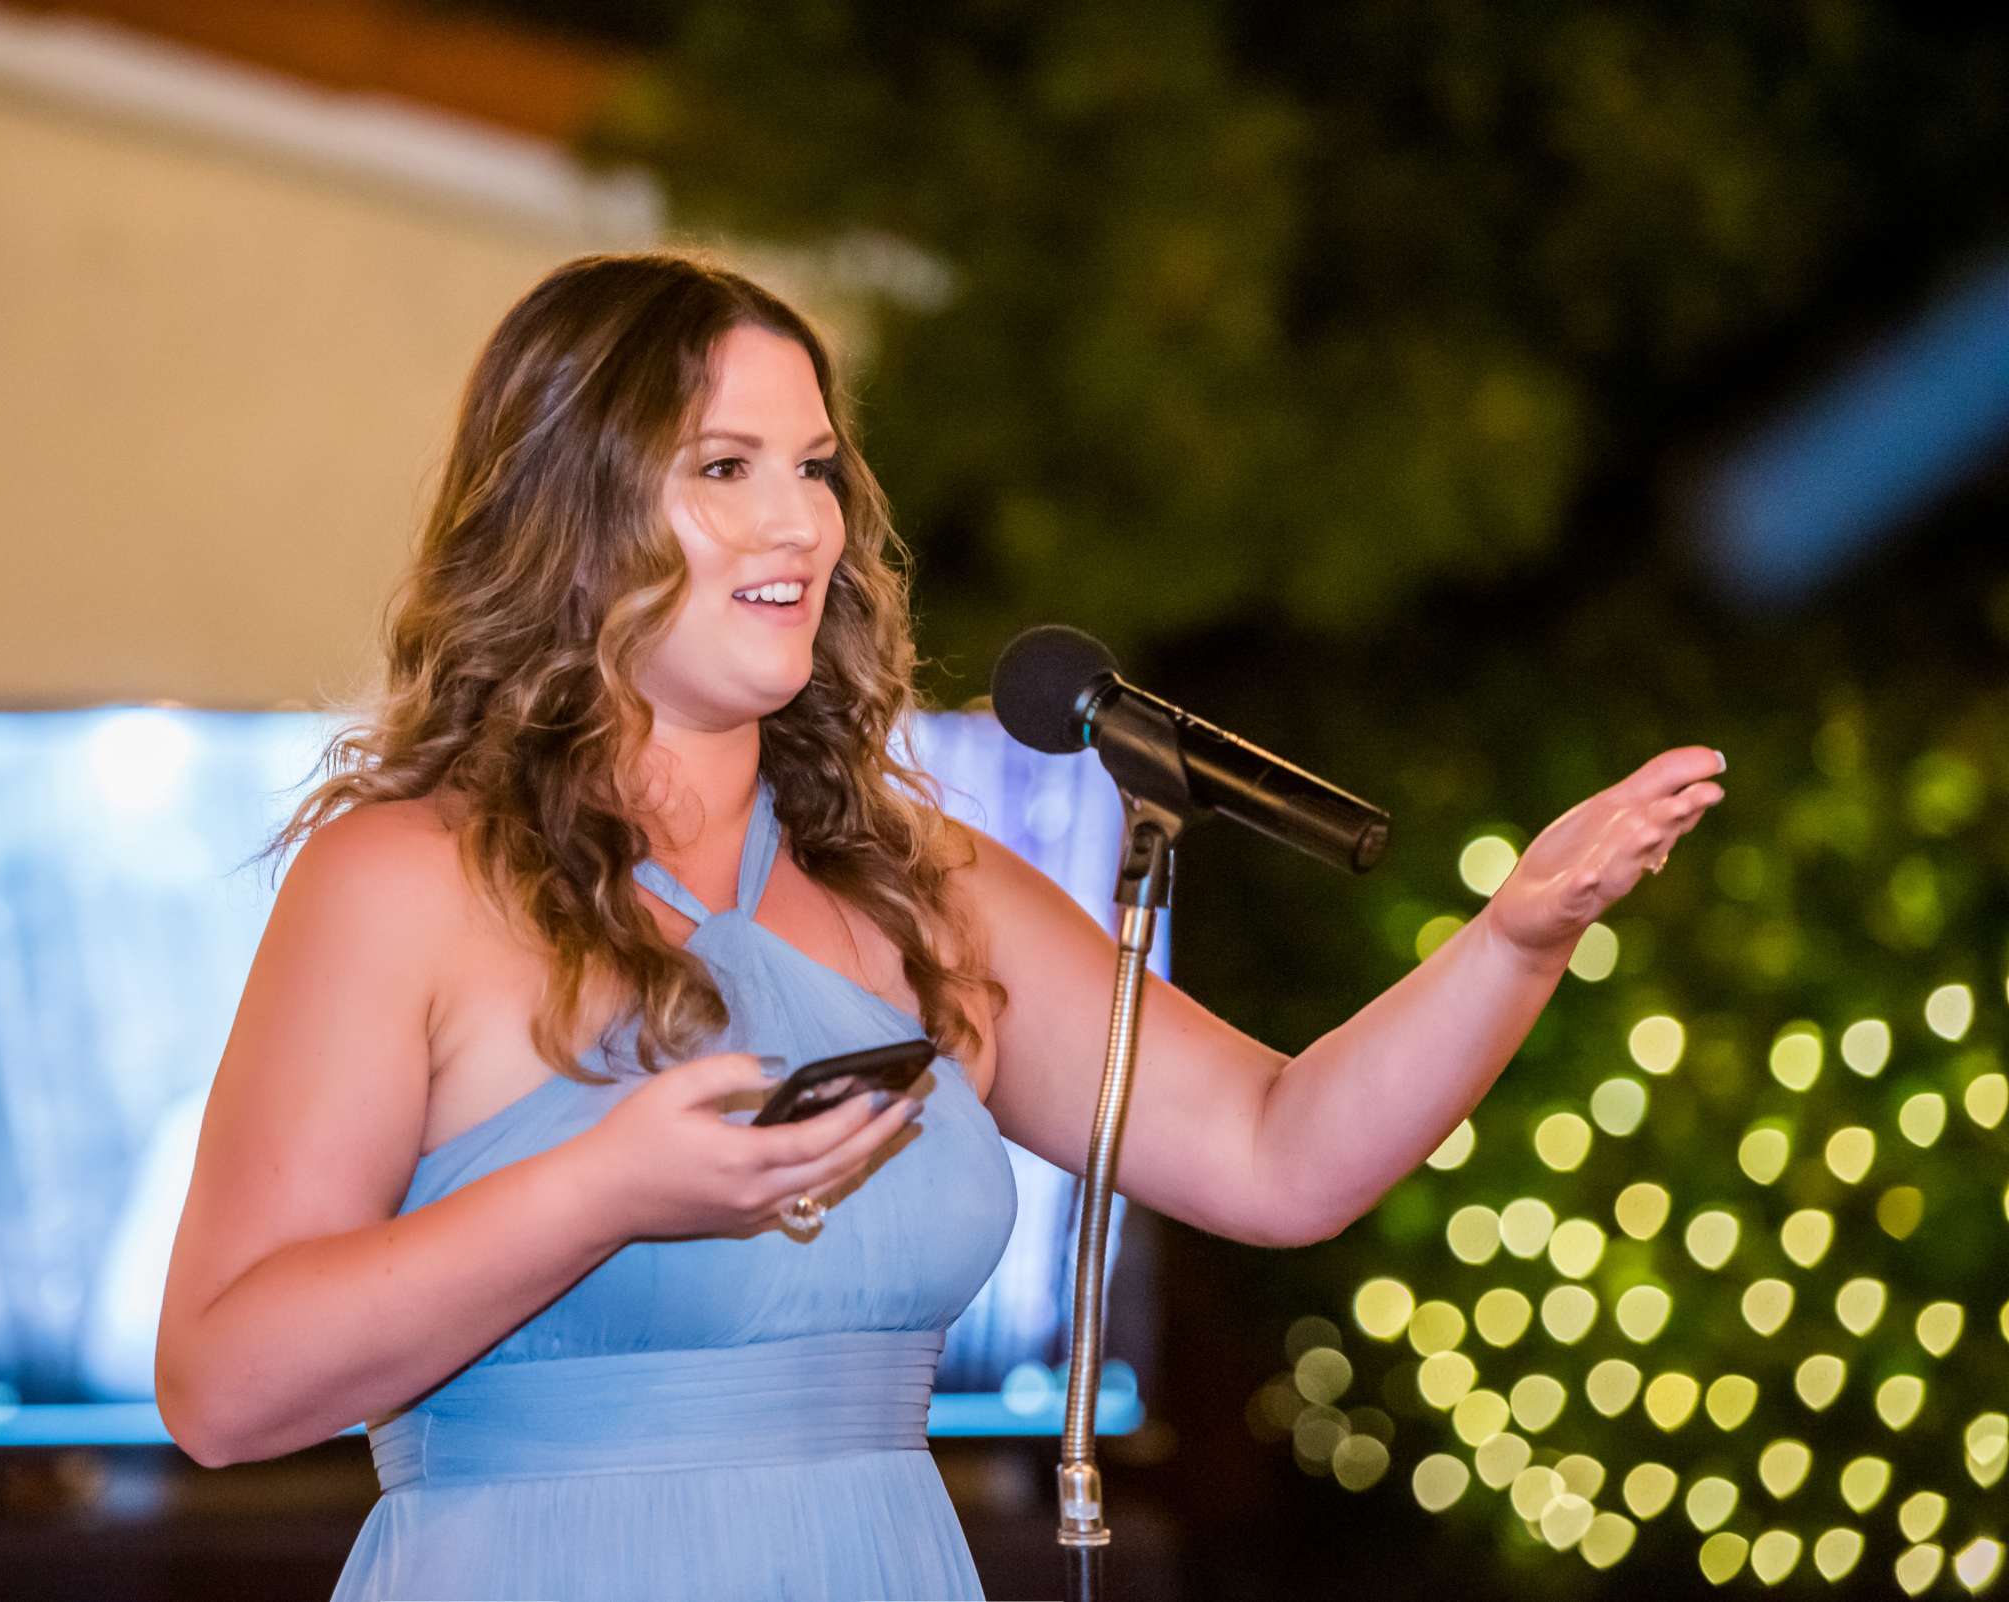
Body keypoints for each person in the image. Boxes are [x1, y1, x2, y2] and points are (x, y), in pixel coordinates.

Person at [152, 250, 1725, 1601]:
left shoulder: (918, 883)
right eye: (724, 467)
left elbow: (1278, 1148)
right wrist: (603, 1188)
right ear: (566, 514)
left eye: (817, 467)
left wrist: (1514, 938)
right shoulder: (409, 877)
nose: (801, 526)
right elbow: (223, 1387)